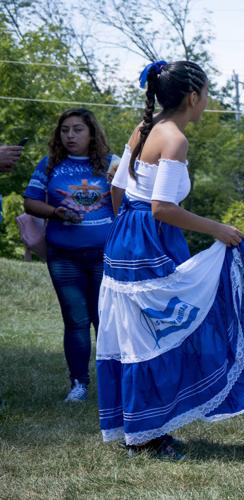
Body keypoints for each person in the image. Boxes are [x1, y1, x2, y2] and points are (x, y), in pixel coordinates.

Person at [97, 60, 244, 459]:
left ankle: (143, 426)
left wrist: (124, 226)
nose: (207, 102)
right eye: (207, 95)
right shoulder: (175, 138)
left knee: (134, 332)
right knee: (154, 335)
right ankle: (146, 434)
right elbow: (162, 207)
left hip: (127, 233)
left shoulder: (144, 128)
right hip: (151, 237)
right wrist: (217, 229)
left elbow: (117, 188)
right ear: (193, 97)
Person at [22, 109, 116, 402]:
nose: (70, 136)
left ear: (91, 133)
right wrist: (55, 212)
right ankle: (79, 384)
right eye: (65, 130)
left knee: (106, 320)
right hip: (64, 257)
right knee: (76, 320)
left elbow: (127, 203)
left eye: (77, 130)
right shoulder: (50, 164)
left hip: (104, 255)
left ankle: (114, 386)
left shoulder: (112, 164)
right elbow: (30, 202)